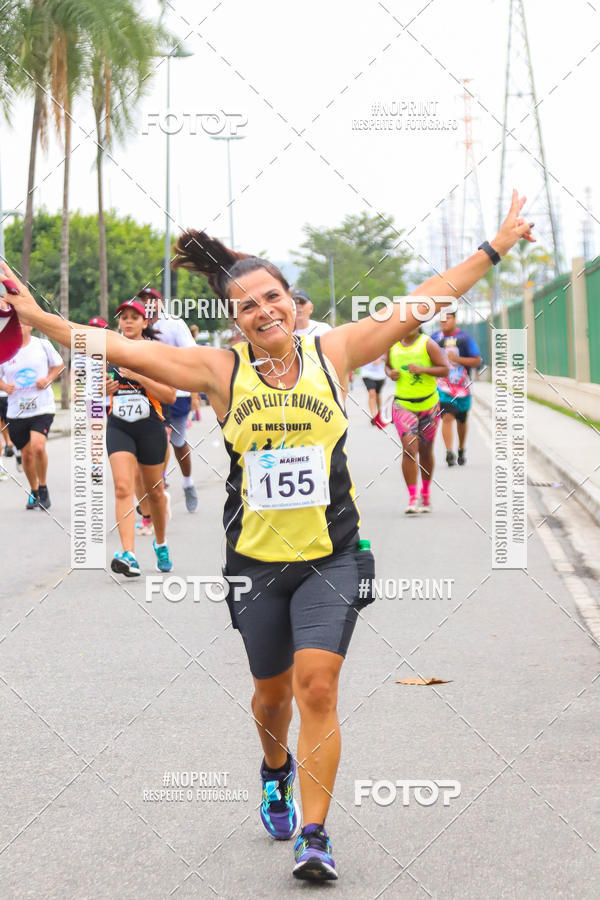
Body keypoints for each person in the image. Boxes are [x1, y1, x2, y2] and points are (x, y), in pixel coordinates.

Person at [3, 189, 533, 882]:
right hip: (255, 563)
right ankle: (274, 768)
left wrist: (495, 247)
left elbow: (422, 300)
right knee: (272, 697)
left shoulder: (333, 353)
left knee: (318, 687)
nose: (264, 311)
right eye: (248, 305)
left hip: (332, 557)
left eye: (273, 298)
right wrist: (37, 316)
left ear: (291, 301)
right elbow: (108, 343)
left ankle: (315, 834)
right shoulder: (218, 371)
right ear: (235, 319)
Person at [105, 299, 176, 576]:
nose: (128, 321)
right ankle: (129, 554)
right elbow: (94, 392)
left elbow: (169, 395)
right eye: (124, 317)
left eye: (134, 317)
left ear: (145, 322)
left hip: (150, 427)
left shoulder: (155, 353)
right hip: (119, 426)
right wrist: (104, 388)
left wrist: (138, 376)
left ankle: (161, 542)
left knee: (154, 492)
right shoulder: (109, 352)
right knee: (123, 487)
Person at [138, 287, 199, 513]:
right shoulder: (139, 324)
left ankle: (188, 483)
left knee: (178, 443)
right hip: (149, 394)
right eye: (144, 300)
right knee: (158, 439)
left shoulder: (174, 324)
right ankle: (158, 485)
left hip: (177, 394)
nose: (148, 303)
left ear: (161, 302)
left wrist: (193, 393)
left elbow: (192, 355)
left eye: (152, 299)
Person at [385, 328, 449, 513]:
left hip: (429, 406)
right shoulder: (392, 345)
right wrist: (390, 373)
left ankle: (425, 494)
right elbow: (387, 366)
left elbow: (445, 369)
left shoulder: (427, 344)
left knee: (426, 450)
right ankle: (412, 498)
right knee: (409, 449)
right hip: (403, 405)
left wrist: (423, 370)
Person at [0, 324, 63, 508]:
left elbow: (59, 366)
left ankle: (43, 488)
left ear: (31, 325)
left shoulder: (42, 345)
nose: (20, 326)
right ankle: (34, 491)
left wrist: (48, 379)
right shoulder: (5, 349)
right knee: (27, 455)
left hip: (42, 408)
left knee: (38, 447)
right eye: (16, 323)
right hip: (16, 411)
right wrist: (4, 386)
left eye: (24, 322)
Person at [432, 306, 482, 467]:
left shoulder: (464, 338)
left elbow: (477, 360)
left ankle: (461, 449)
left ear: (454, 319)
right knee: (447, 416)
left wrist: (457, 360)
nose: (444, 322)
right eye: (441, 319)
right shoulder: (434, 338)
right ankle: (449, 452)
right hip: (443, 387)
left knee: (461, 419)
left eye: (447, 318)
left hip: (462, 386)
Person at [360, 355, 387, 428]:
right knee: (372, 393)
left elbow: (388, 355)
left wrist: (381, 359)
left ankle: (379, 413)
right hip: (367, 374)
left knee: (378, 394)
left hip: (380, 375)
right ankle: (373, 416)